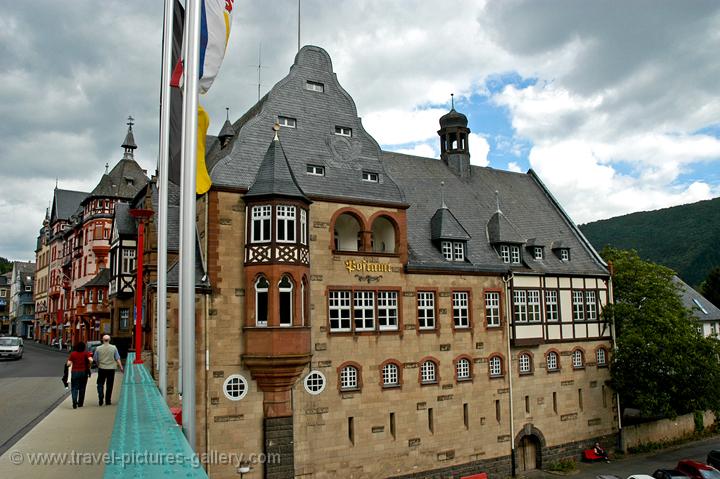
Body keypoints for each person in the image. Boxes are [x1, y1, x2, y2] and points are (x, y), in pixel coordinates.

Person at [93, 334, 123, 406]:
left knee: (100, 383)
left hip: (102, 368)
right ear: (109, 340)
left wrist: (98, 364)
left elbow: (95, 359)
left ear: (102, 340)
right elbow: (117, 358)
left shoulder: (98, 348)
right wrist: (121, 366)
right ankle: (108, 400)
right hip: (111, 368)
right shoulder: (114, 348)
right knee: (109, 385)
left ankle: (101, 396)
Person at [66, 342, 93, 409]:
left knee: (74, 388)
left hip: (75, 372)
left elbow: (68, 364)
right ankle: (80, 403)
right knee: (82, 388)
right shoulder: (86, 353)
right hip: (83, 372)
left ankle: (74, 402)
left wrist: (71, 363)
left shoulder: (73, 354)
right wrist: (89, 364)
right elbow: (91, 360)